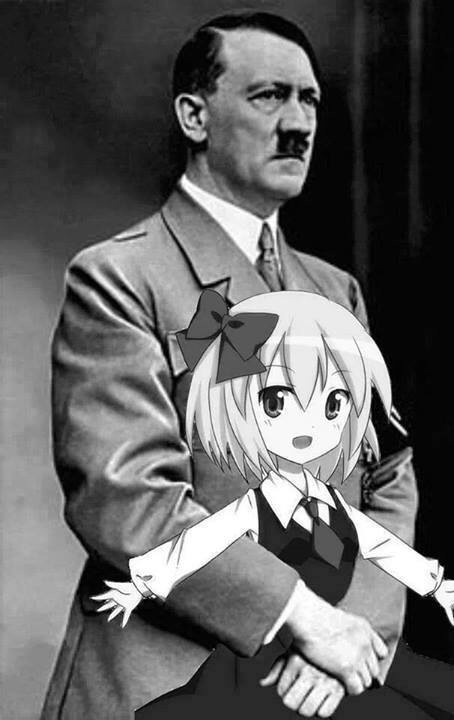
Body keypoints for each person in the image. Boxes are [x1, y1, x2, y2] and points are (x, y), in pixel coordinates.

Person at [41, 12, 418, 720]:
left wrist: (357, 632)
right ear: (194, 116)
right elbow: (127, 498)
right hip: (165, 680)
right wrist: (304, 616)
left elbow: (385, 474)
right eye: (269, 96)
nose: (298, 124)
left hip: (322, 686)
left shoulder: (334, 291)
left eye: (309, 101)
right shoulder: (121, 277)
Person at [95, 289, 454, 719]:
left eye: (333, 404)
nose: (307, 425)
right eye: (276, 403)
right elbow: (188, 536)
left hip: (341, 662)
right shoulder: (255, 507)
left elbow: (384, 520)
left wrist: (429, 587)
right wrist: (141, 584)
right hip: (248, 660)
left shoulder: (339, 288)